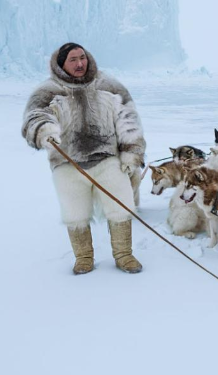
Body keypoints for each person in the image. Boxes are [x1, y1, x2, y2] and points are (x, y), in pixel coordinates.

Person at [22, 42, 146, 274]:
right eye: (73, 60)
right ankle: (84, 257)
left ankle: (124, 255)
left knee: (121, 206)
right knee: (75, 213)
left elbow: (129, 118)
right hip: (68, 163)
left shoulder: (108, 85)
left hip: (107, 159)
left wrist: (131, 151)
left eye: (82, 57)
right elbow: (35, 116)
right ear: (61, 65)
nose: (80, 63)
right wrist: (43, 130)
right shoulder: (48, 90)